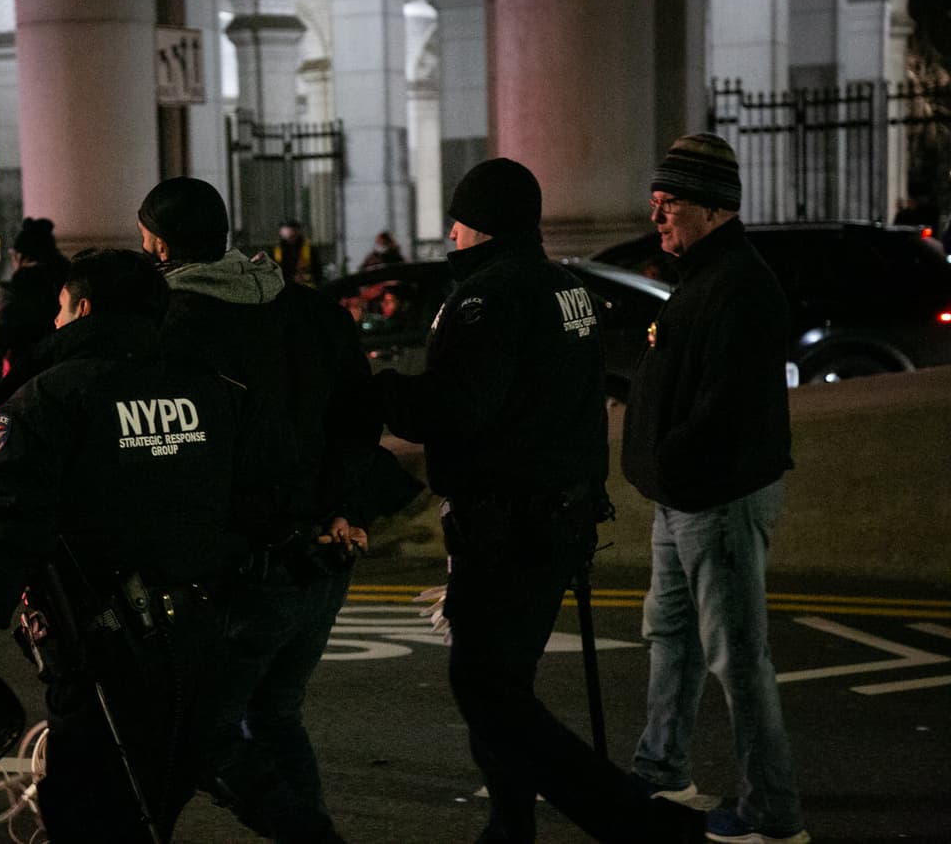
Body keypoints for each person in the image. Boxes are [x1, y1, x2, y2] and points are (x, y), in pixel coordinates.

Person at [366, 157, 705, 843]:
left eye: (459, 223)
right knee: (504, 687)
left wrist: (376, 394)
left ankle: (630, 820)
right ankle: (510, 822)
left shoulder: (487, 296)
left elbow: (457, 406)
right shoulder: (562, 286)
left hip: (506, 518)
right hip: (557, 512)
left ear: (481, 225)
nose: (451, 237)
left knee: (484, 687)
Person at [0, 248, 247, 843]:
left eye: (60, 308)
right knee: (153, 800)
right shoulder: (209, 387)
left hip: (102, 646)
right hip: (201, 636)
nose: (53, 321)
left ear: (85, 308)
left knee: (87, 811)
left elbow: (4, 533)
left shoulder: (50, 399)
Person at [137, 177, 400, 844]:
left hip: (250, 561)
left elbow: (195, 455)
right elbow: (358, 414)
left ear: (161, 246)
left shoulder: (173, 326)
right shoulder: (309, 310)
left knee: (203, 733)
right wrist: (341, 506)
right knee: (276, 713)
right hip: (326, 550)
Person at [623, 133, 810, 844]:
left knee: (737, 655)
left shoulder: (739, 284)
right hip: (685, 496)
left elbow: (725, 407)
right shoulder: (707, 275)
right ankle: (661, 766)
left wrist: (671, 459)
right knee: (670, 634)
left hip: (716, 496)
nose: (658, 214)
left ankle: (773, 814)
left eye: (669, 201)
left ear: (713, 206)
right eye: (656, 201)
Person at [0, 217, 70, 411]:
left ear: (21, 257)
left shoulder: (21, 290)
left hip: (29, 381)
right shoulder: (70, 281)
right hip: (67, 377)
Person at [272, 219, 324, 287]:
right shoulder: (276, 251)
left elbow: (318, 271)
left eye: (293, 231)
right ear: (281, 232)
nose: (290, 236)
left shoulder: (309, 249)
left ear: (298, 231)